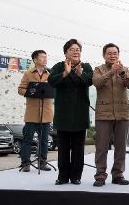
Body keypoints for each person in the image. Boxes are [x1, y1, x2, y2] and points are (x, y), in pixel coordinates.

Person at [48, 39, 93, 185]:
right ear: (66, 52)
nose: (76, 51)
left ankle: (76, 176)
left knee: (78, 149)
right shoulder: (59, 66)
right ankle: (62, 176)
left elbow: (90, 81)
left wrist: (80, 74)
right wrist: (65, 73)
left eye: (78, 49)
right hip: (63, 114)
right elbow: (51, 81)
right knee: (63, 148)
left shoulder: (85, 66)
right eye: (72, 49)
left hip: (80, 113)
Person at [92, 43, 129, 187]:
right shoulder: (98, 69)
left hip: (122, 113)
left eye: (115, 53)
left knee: (121, 147)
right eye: (109, 53)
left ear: (118, 55)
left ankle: (118, 174)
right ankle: (100, 176)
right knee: (102, 147)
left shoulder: (124, 69)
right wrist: (111, 73)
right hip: (103, 114)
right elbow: (97, 83)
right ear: (104, 55)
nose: (112, 55)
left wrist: (122, 72)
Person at [18, 50, 53, 172]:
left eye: (46, 57)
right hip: (32, 113)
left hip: (46, 112)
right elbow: (20, 89)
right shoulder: (28, 73)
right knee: (27, 139)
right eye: (42, 57)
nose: (45, 59)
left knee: (44, 140)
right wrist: (30, 92)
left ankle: (42, 162)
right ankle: (25, 163)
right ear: (35, 60)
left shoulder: (50, 74)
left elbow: (55, 89)